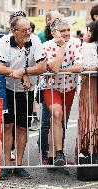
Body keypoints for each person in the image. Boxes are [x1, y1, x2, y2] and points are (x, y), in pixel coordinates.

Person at [0, 16, 46, 179]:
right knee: (8, 126)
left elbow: (42, 66)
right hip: (8, 88)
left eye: (29, 29)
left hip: (26, 90)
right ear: (13, 31)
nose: (27, 33)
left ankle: (19, 164)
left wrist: (24, 72)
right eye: (23, 30)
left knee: (23, 127)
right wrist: (16, 74)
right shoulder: (4, 41)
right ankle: (7, 165)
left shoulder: (35, 40)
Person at [43, 18, 83, 167]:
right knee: (57, 114)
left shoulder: (76, 42)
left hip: (69, 87)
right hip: (51, 87)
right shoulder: (46, 46)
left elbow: (79, 66)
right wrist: (61, 47)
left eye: (68, 30)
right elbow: (53, 68)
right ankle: (59, 153)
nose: (66, 33)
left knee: (59, 121)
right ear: (54, 33)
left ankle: (52, 156)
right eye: (62, 30)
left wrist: (61, 71)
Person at [36, 11, 62, 166]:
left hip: (62, 84)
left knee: (57, 119)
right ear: (48, 21)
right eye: (56, 19)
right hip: (47, 84)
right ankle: (44, 151)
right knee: (46, 120)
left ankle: (57, 153)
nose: (59, 22)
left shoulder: (63, 36)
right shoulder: (42, 37)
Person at [77, 20, 98, 158]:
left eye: (89, 30)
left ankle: (90, 150)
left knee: (92, 116)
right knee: (89, 115)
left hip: (91, 83)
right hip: (90, 83)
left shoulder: (89, 47)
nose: (87, 33)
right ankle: (89, 150)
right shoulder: (86, 47)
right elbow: (82, 68)